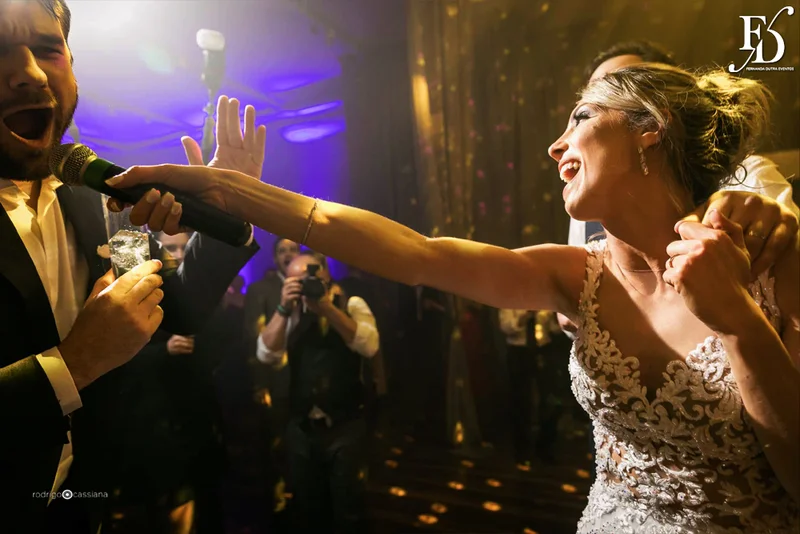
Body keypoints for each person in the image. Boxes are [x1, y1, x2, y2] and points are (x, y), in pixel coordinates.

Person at [113, 60, 799, 532]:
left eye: (582, 115)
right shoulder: (573, 275)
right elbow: (418, 255)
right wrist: (238, 194)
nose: (557, 142)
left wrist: (738, 322)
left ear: (653, 129)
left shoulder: (769, 259)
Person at [0, 2, 261, 532]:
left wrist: (227, 214)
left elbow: (174, 307)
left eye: (47, 48)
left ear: (71, 63)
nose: (28, 72)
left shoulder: (90, 196)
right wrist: (70, 366)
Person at [558, 41, 799, 339]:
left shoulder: (748, 177)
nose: (614, 96)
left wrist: (780, 226)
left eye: (631, 83)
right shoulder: (585, 200)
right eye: (596, 93)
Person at [256, 251, 379, 533]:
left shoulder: (351, 303)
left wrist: (327, 308)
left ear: (326, 277)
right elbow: (265, 354)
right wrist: (284, 308)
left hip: (346, 424)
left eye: (312, 279)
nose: (306, 286)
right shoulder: (290, 311)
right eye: (297, 281)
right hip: (301, 426)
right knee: (309, 508)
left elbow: (369, 345)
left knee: (349, 508)